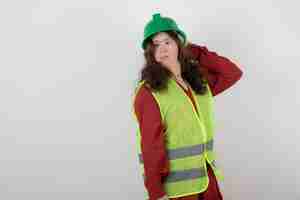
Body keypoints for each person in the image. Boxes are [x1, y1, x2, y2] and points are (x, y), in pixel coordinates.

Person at [132, 13, 243, 200]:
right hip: (179, 191)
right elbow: (150, 146)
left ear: (179, 45)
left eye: (167, 42)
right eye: (156, 44)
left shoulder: (198, 81)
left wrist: (194, 51)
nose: (162, 49)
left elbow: (231, 72)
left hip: (207, 181)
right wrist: (156, 193)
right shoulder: (149, 92)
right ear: (150, 52)